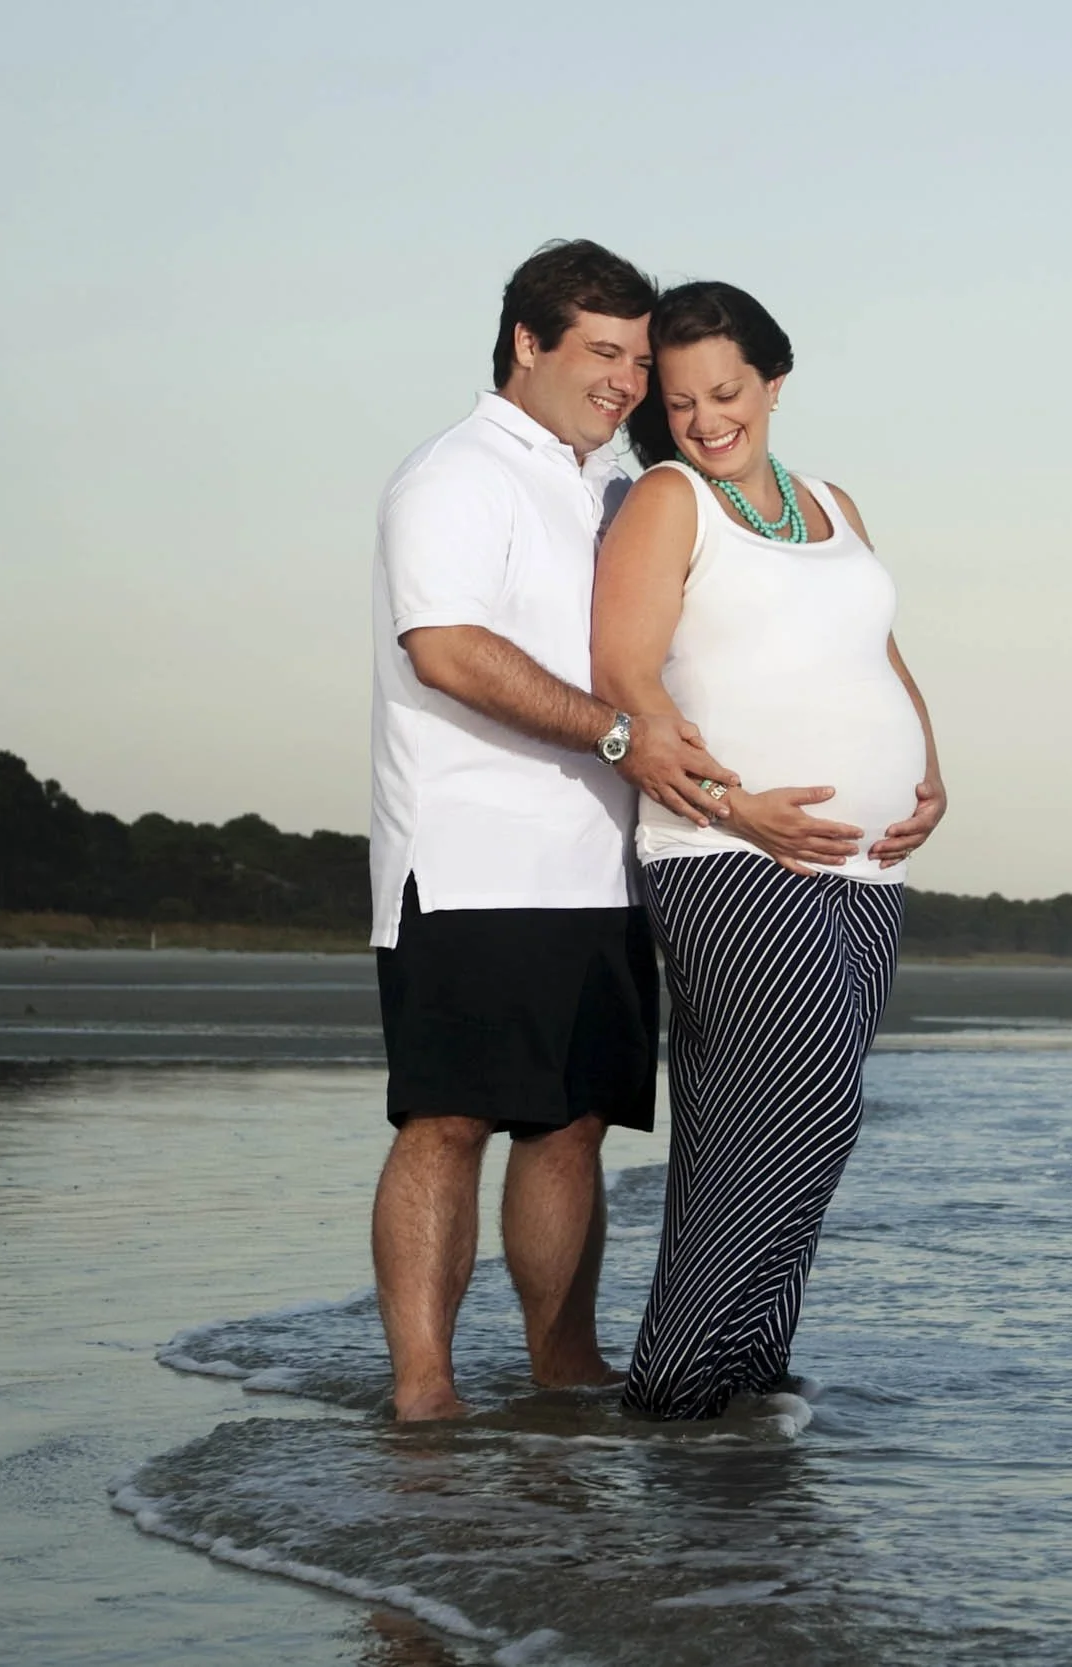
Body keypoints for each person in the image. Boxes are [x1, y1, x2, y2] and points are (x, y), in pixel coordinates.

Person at [367, 240, 741, 1423]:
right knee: (449, 1118)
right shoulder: (456, 473)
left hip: (604, 864)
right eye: (602, 352)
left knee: (573, 1123)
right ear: (525, 344)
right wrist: (622, 738)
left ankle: (563, 1362)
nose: (627, 381)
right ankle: (425, 1387)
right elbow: (449, 647)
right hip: (470, 856)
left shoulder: (611, 491)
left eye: (639, 357)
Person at [592, 281, 948, 1420]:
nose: (705, 418)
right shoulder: (667, 498)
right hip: (727, 857)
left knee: (784, 1118)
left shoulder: (831, 501)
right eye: (683, 398)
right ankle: (676, 1389)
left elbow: (877, 656)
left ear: (774, 382)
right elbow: (626, 680)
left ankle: (743, 1373)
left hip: (866, 866)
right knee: (798, 1112)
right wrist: (738, 810)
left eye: (728, 391)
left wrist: (928, 771)